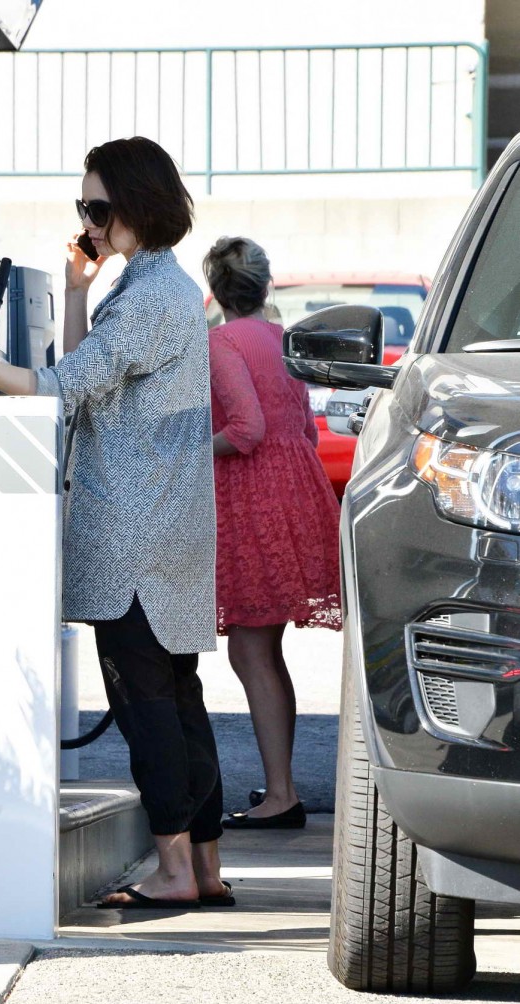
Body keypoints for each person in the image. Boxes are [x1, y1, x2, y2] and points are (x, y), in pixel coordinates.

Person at [0, 137, 233, 909]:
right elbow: (87, 383)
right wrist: (78, 292)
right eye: (83, 208)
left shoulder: (150, 298)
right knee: (178, 698)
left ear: (135, 205)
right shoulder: (160, 288)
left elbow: (51, 388)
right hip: (165, 527)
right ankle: (203, 868)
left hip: (134, 537)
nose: (86, 221)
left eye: (96, 207)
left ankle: (176, 871)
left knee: (146, 702)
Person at [203, 236, 341, 830]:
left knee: (252, 647)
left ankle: (282, 794)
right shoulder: (284, 341)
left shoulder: (222, 342)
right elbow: (304, 432)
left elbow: (246, 429)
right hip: (294, 492)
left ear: (216, 290)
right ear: (264, 285)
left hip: (254, 498)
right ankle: (280, 785)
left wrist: (189, 451)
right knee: (263, 646)